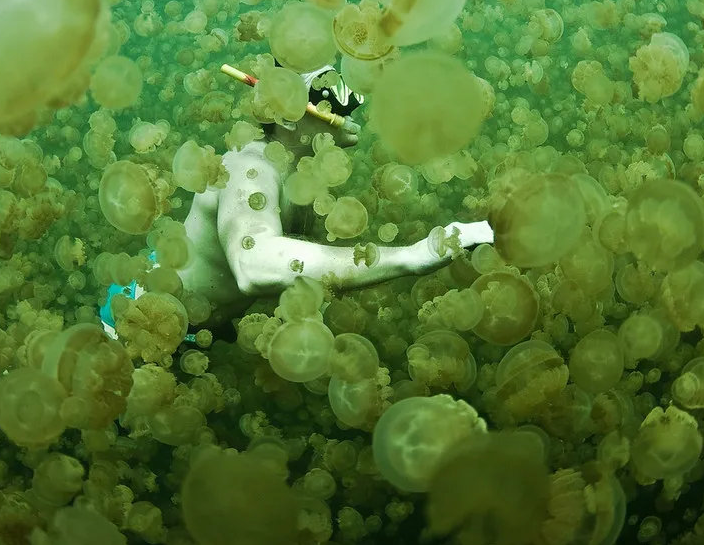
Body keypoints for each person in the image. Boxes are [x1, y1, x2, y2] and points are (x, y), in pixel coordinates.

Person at [100, 60, 494, 340]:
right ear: (286, 111)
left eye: (351, 92)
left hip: (198, 333)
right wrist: (410, 256)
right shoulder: (248, 168)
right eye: (330, 91)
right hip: (135, 322)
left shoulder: (300, 174)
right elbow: (253, 264)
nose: (347, 102)